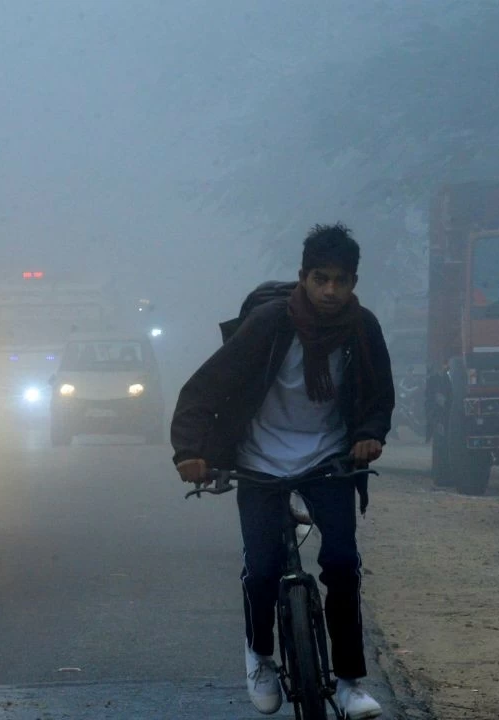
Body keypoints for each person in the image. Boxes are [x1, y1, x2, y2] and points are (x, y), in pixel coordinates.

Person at [170, 224, 393, 719]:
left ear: (354, 282)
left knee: (341, 564)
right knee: (263, 568)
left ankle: (351, 682)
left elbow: (380, 396)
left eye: (341, 281)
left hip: (329, 458)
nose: (330, 291)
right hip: (259, 461)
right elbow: (205, 387)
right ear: (303, 278)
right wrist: (190, 451)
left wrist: (370, 433)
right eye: (320, 279)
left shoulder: (363, 328)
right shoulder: (270, 324)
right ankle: (261, 657)